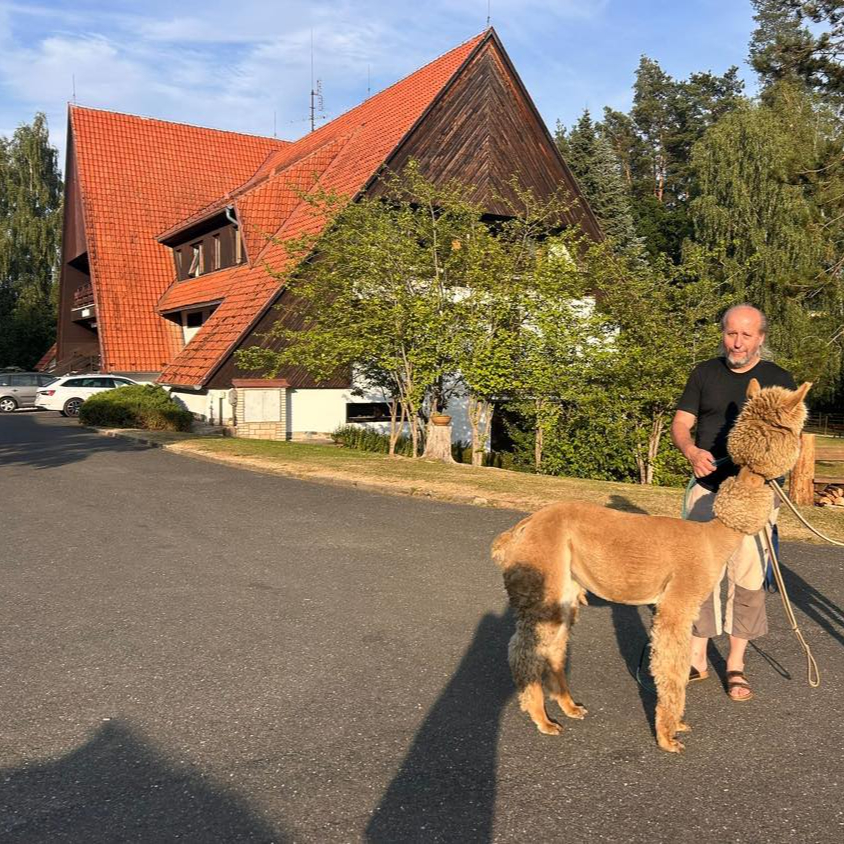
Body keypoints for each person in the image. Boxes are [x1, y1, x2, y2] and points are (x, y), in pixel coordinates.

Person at [670, 304, 796, 701]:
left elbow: (789, 440)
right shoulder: (704, 373)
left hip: (755, 496)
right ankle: (697, 658)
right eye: (730, 333)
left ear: (761, 338)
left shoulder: (779, 381)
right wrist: (690, 450)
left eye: (746, 335)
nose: (737, 342)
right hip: (707, 489)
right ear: (723, 333)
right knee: (699, 576)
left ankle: (736, 664)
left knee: (748, 577)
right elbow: (681, 423)